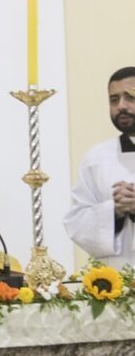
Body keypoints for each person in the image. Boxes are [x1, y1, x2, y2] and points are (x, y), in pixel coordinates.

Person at [64, 66, 135, 269]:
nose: (121, 106)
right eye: (114, 99)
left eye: (130, 97)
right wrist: (114, 212)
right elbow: (77, 223)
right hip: (116, 279)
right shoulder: (96, 158)